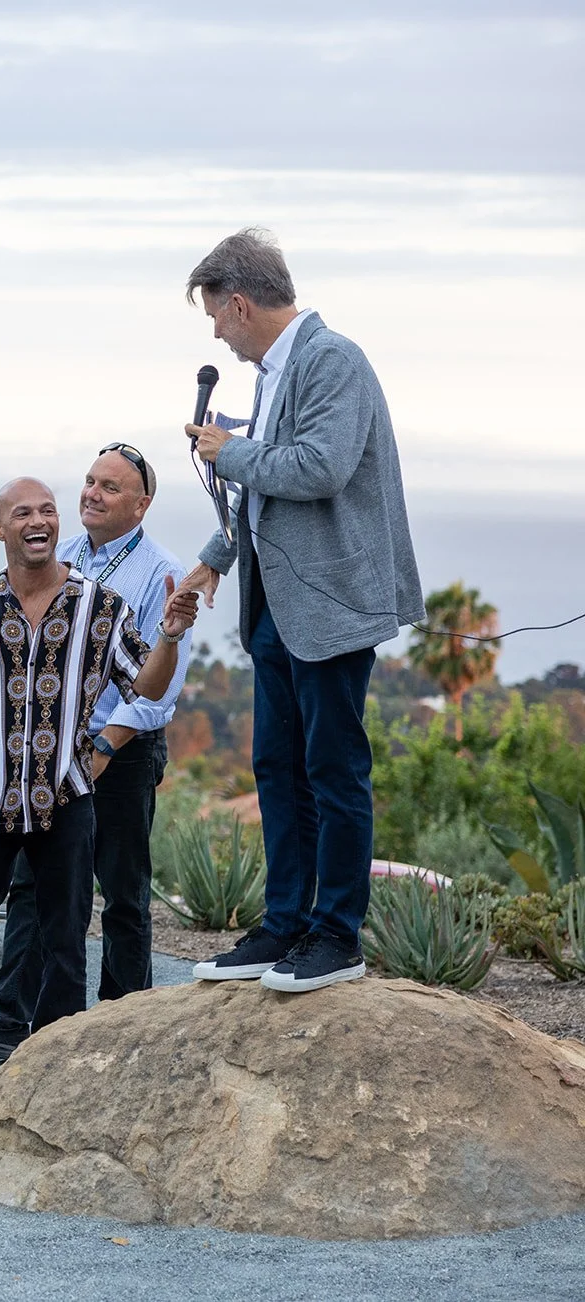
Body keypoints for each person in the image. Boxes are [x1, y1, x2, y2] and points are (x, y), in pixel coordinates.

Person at [179, 228, 423, 994]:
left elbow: (318, 468)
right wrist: (215, 559)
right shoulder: (279, 372)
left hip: (329, 605)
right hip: (275, 604)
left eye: (216, 315)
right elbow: (263, 493)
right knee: (277, 766)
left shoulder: (333, 361)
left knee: (333, 768)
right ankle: (284, 923)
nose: (216, 329)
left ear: (242, 303)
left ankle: (337, 935)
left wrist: (228, 450)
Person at [0, 477, 199, 1138]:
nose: (39, 520)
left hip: (68, 795)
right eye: (23, 513)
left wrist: (168, 635)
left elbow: (150, 684)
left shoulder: (100, 607)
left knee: (63, 944)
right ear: (2, 531)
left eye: (47, 510)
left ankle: (52, 1078)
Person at [0, 444, 189, 1062]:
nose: (93, 493)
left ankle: (125, 1022)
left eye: (111, 488)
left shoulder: (159, 573)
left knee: (122, 894)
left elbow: (156, 687)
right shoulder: (59, 556)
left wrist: (104, 745)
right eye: (90, 482)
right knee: (32, 886)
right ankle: (11, 1016)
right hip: (47, 750)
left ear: (142, 505)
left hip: (121, 752)